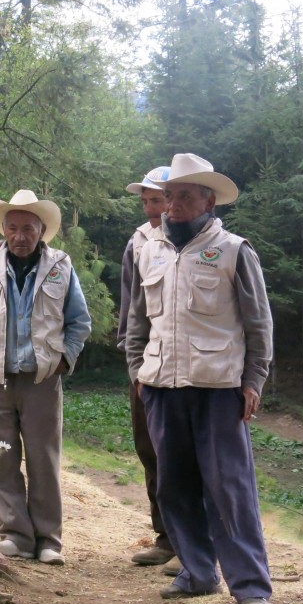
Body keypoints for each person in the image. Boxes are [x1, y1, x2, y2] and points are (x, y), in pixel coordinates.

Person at [125, 153, 275, 604]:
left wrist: (254, 380)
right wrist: (137, 371)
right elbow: (135, 319)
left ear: (208, 201)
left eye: (185, 196)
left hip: (218, 387)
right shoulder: (149, 249)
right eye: (170, 196)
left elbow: (258, 324)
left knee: (229, 488)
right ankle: (196, 572)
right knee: (174, 485)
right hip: (162, 387)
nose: (173, 205)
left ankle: (251, 586)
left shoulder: (233, 250)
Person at [0, 190, 92, 566]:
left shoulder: (60, 266)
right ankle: (15, 535)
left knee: (43, 459)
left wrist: (64, 360)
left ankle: (49, 539)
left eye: (27, 228)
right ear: (3, 229)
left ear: (42, 230)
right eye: (12, 227)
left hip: (41, 380)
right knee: (0, 458)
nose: (19, 236)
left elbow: (79, 321)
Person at [117, 166, 180, 574]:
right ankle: (165, 538)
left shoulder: (204, 243)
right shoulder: (137, 243)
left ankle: (196, 542)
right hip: (147, 364)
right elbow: (130, 308)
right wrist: (132, 365)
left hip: (192, 368)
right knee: (150, 450)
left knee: (187, 455)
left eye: (156, 199)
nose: (151, 208)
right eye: (145, 201)